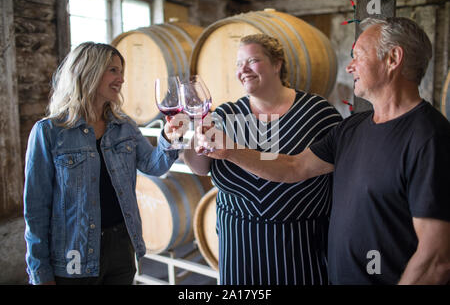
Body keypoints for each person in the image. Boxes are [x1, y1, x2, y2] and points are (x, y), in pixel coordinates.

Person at [196, 18, 450, 285]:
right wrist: (231, 151)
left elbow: (436, 259)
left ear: (393, 58)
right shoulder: (352, 128)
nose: (350, 67)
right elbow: (293, 167)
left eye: (358, 56)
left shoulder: (430, 139)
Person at [183, 34, 342, 284]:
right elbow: (200, 167)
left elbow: (328, 174)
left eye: (253, 60)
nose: (243, 70)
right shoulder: (227, 114)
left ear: (277, 64)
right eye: (238, 64)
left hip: (299, 247)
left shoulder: (317, 112)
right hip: (239, 246)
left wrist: (232, 150)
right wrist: (191, 132)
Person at [23, 42, 181, 285]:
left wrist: (170, 138)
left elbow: (153, 165)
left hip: (121, 247)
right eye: (113, 70)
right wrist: (39, 272)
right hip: (74, 252)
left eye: (121, 71)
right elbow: (36, 209)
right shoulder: (49, 132)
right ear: (88, 72)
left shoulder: (124, 126)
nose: (121, 79)